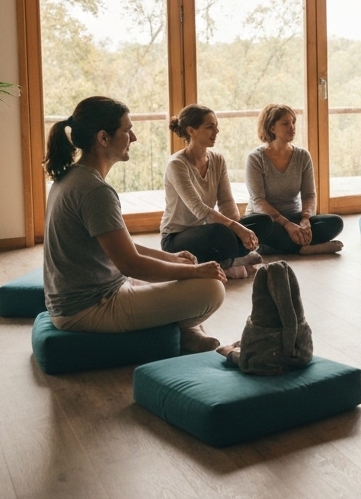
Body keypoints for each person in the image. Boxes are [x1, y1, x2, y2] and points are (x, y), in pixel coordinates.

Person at [41, 96, 226, 353]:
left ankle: (186, 332)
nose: (134, 137)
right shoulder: (94, 190)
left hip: (93, 294)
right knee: (211, 289)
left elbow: (121, 246)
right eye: (127, 130)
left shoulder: (72, 176)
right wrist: (195, 273)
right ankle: (184, 331)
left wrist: (169, 258)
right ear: (103, 138)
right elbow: (130, 264)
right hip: (89, 308)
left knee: (177, 274)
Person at [161, 104, 261, 279]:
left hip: (209, 231)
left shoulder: (217, 159)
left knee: (263, 223)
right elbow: (199, 209)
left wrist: (239, 232)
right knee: (221, 233)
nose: (216, 131)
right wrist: (234, 230)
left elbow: (226, 201)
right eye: (210, 127)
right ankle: (232, 262)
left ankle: (229, 259)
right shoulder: (177, 164)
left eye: (216, 126)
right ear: (191, 131)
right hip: (176, 238)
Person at [242, 104, 344, 256]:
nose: (292, 127)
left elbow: (309, 195)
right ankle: (307, 248)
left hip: (295, 217)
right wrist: (286, 224)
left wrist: (306, 219)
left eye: (293, 122)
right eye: (285, 123)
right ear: (272, 128)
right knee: (261, 228)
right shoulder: (256, 158)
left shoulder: (302, 156)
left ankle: (280, 247)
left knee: (336, 222)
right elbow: (258, 201)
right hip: (267, 220)